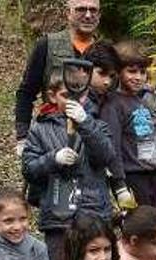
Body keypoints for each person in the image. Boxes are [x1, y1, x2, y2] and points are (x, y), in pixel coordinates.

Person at [22, 71, 120, 260]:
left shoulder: (98, 125)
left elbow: (106, 157)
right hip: (58, 215)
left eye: (80, 95)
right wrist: (53, 159)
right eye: (66, 95)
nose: (74, 101)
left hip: (93, 213)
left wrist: (86, 124)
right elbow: (28, 169)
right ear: (52, 96)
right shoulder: (40, 128)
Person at [15, 0, 102, 155]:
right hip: (52, 136)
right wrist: (22, 136)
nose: (88, 15)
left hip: (94, 137)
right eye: (81, 9)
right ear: (68, 13)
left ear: (99, 14)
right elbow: (26, 92)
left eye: (93, 10)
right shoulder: (47, 45)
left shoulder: (105, 49)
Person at [100, 41, 156, 210]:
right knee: (139, 224)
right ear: (118, 72)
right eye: (131, 71)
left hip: (154, 173)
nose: (138, 77)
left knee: (155, 221)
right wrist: (120, 187)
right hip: (133, 176)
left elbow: (144, 136)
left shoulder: (140, 101)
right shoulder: (113, 105)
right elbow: (112, 148)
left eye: (142, 72)